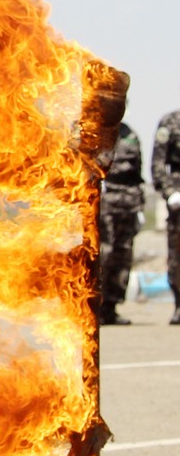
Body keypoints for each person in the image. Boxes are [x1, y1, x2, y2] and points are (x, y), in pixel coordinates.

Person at [98, 122, 145, 326]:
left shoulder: (130, 134)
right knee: (103, 254)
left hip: (129, 203)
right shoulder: (93, 130)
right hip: (104, 202)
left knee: (122, 256)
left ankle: (111, 306)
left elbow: (138, 172)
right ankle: (94, 306)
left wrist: (140, 206)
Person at [152, 109, 180, 325]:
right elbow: (158, 163)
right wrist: (170, 192)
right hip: (179, 198)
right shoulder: (170, 121)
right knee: (177, 254)